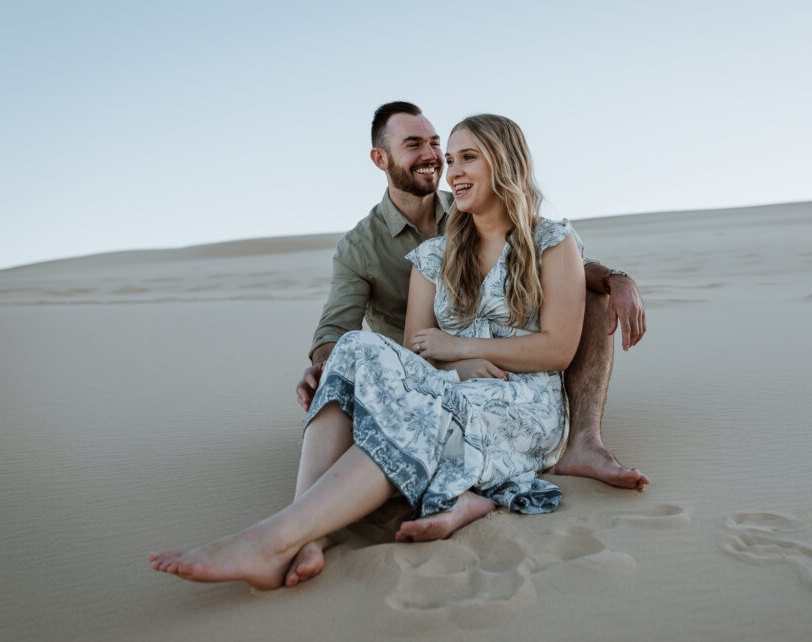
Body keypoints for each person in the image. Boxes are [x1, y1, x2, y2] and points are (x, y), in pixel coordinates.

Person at [150, 114, 587, 589]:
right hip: (457, 382)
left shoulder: (551, 241)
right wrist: (459, 366)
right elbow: (416, 353)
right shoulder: (435, 255)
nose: (453, 170)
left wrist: (458, 345)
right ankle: (310, 530)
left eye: (468, 157)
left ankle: (272, 540)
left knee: (425, 411)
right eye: (451, 158)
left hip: (524, 401)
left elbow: (558, 350)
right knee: (355, 346)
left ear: (504, 162)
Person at [297, 102, 649, 494]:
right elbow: (336, 327)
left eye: (435, 144)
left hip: (507, 363)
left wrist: (615, 278)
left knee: (593, 295)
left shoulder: (472, 200)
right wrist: (327, 367)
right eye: (414, 145)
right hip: (419, 362)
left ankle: (585, 441)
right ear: (380, 159)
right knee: (362, 369)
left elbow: (554, 263)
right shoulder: (360, 246)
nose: (432, 156)